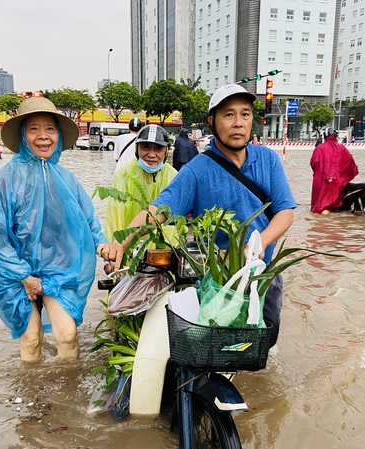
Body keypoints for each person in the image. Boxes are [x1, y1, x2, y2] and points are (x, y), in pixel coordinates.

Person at [101, 83, 297, 348]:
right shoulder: (196, 171)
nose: (238, 123)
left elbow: (285, 213)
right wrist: (122, 243)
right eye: (228, 115)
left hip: (261, 273)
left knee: (262, 343)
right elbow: (158, 211)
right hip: (216, 280)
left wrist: (259, 242)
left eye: (245, 114)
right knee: (215, 346)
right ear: (212, 122)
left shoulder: (267, 160)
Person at [0, 96, 109, 363]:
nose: (43, 136)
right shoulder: (1, 181)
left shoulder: (67, 179)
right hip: (12, 274)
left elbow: (87, 219)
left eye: (49, 129)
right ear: (23, 135)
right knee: (32, 338)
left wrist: (103, 245)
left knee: (68, 334)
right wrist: (24, 275)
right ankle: (34, 397)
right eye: (34, 129)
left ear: (58, 135)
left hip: (56, 270)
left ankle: (67, 395)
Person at [105, 124, 177, 240]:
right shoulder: (124, 174)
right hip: (129, 244)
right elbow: (115, 216)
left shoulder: (173, 176)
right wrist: (115, 245)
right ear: (137, 149)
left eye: (158, 148)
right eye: (146, 147)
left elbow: (173, 222)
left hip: (163, 249)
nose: (152, 154)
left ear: (166, 152)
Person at [310, 127, 359, 214]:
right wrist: (343, 176)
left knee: (322, 208)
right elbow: (350, 163)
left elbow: (314, 163)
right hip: (337, 181)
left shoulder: (320, 148)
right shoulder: (341, 148)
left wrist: (318, 173)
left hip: (323, 181)